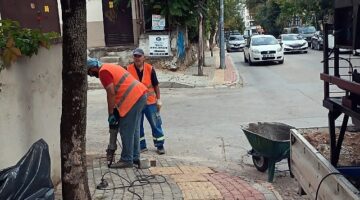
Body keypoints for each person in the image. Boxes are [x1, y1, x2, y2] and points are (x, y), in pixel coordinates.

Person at [87, 58, 147, 168]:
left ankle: (127, 159)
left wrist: (111, 113)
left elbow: (111, 92)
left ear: (93, 68)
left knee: (126, 130)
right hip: (140, 94)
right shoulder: (110, 66)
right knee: (134, 129)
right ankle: (134, 157)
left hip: (133, 98)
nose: (91, 76)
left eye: (89, 72)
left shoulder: (103, 72)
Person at [127, 48, 166, 155]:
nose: (137, 58)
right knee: (137, 126)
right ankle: (141, 146)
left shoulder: (149, 69)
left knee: (155, 123)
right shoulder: (128, 69)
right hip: (136, 103)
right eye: (135, 56)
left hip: (150, 103)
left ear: (144, 57)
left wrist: (158, 99)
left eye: (139, 56)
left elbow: (156, 85)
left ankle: (160, 145)